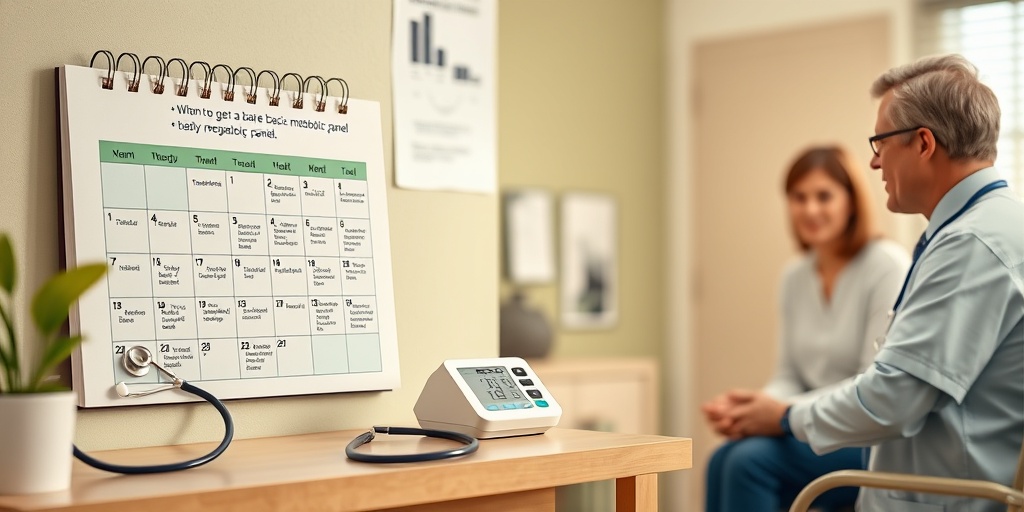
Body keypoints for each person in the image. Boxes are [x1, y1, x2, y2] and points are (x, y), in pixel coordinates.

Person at [732, 54, 1024, 512]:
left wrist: (787, 416)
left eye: (880, 142)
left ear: (923, 143)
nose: (873, 161)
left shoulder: (973, 244)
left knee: (746, 463)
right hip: (921, 486)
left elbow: (892, 401)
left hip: (944, 500)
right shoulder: (980, 229)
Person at [702, 146, 910, 512]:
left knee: (747, 463)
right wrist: (749, 411)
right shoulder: (794, 276)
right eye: (799, 198)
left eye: (823, 196)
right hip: (807, 425)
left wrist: (778, 412)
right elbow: (789, 375)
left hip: (867, 437)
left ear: (851, 202)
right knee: (722, 458)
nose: (810, 209)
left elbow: (871, 382)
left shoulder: (886, 266)